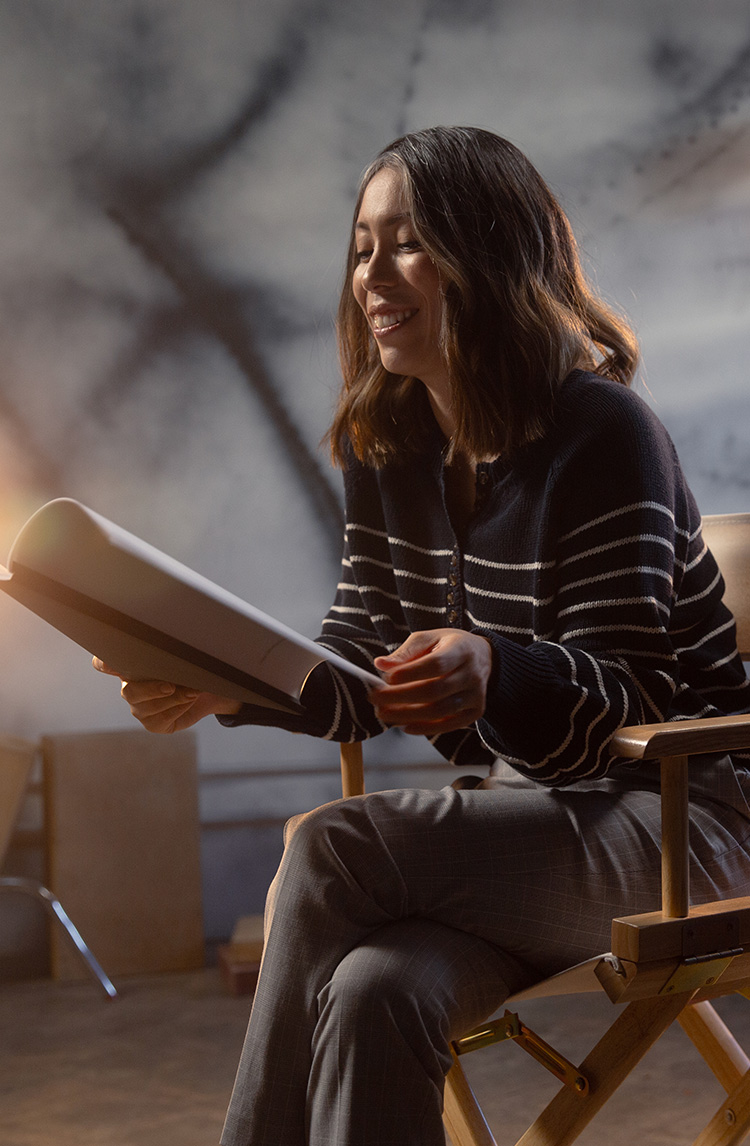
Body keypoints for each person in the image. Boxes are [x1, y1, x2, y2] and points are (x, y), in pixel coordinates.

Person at [95, 126, 750, 1146]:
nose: (372, 274)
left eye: (407, 242)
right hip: (534, 830)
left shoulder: (605, 432)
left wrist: (496, 673)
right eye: (361, 246)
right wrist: (223, 685)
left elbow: (629, 699)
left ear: (488, 256)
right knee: (368, 991)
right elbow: (361, 657)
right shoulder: (387, 444)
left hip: (684, 825)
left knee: (330, 844)